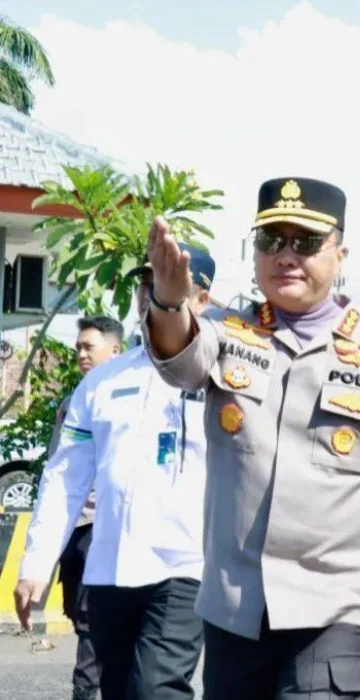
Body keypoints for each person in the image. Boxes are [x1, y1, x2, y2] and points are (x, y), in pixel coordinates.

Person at [140, 177, 360, 699]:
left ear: (340, 253)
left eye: (305, 242)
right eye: (271, 241)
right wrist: (170, 302)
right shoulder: (226, 331)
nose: (286, 256)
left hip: (338, 605)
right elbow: (179, 361)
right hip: (236, 605)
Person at [15, 247, 215, 699]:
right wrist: (35, 564)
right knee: (106, 689)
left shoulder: (217, 376)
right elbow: (64, 478)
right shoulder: (100, 384)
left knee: (155, 689)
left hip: (184, 566)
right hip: (109, 568)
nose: (151, 297)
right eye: (148, 286)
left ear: (200, 301)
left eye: (168, 287)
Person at [50, 315, 125, 700]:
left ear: (115, 351)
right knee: (82, 622)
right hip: (76, 530)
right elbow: (58, 467)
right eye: (78, 346)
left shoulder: (127, 398)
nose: (80, 353)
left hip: (105, 529)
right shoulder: (73, 400)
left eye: (88, 347)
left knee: (93, 625)